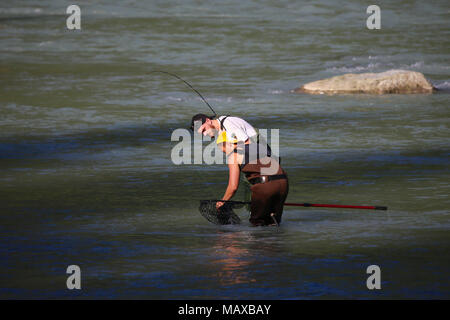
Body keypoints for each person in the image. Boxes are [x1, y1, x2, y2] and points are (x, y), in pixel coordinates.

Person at [190, 113, 289, 226]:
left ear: (208, 120)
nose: (205, 135)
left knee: (257, 226)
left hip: (264, 175)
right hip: (282, 178)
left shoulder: (229, 125)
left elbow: (233, 187)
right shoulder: (224, 131)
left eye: (203, 130)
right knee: (273, 223)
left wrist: (222, 202)